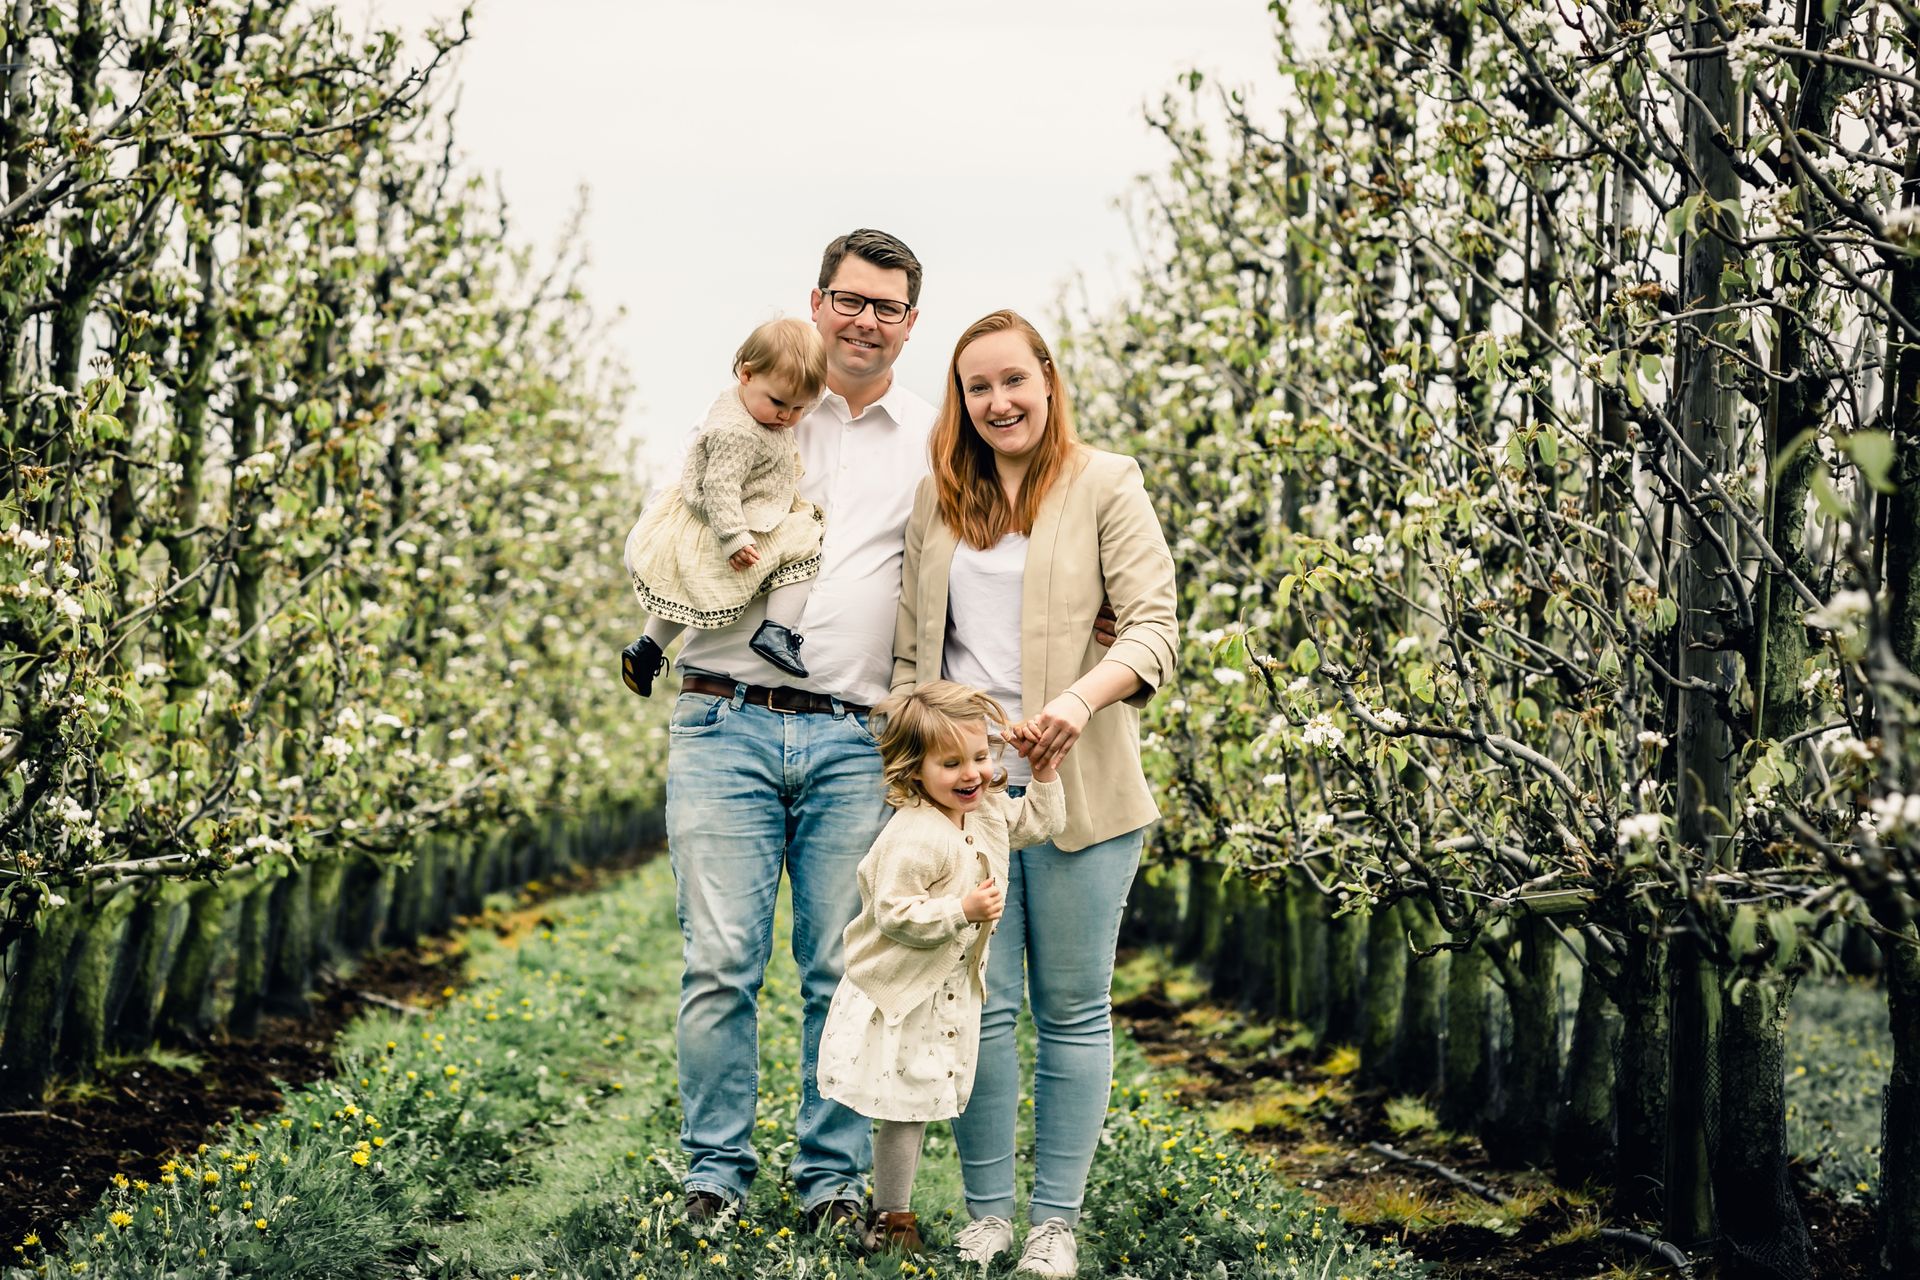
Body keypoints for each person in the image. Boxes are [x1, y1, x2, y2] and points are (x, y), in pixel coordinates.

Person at [891, 309, 1179, 1277]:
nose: (999, 401)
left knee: (1072, 1006)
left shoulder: (1106, 483)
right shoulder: (938, 502)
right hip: (969, 799)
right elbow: (908, 657)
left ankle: (1055, 1219)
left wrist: (1078, 702)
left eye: (1014, 380)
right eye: (978, 387)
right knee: (980, 1001)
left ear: (1048, 380)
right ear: (961, 400)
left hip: (1082, 788)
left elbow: (1153, 628)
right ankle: (987, 1212)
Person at [662, 229, 935, 1231]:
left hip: (854, 737)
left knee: (843, 965)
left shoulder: (929, 441)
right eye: (850, 299)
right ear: (817, 303)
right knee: (721, 961)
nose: (866, 320)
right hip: (725, 716)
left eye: (887, 306)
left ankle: (831, 1180)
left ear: (911, 322)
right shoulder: (757, 413)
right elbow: (684, 523)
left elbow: (985, 565)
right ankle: (714, 1174)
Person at [816, 681, 1066, 1256]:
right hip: (901, 989)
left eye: (979, 757)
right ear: (914, 770)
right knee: (903, 1102)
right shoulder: (915, 835)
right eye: (951, 763)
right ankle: (891, 1220)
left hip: (944, 988)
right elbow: (893, 913)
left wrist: (1046, 773)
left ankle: (891, 1214)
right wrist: (961, 909)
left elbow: (1033, 825)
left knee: (916, 1099)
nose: (972, 773)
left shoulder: (981, 814)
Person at [621, 317, 828, 692]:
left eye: (799, 408)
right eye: (780, 403)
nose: (787, 417)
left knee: (687, 588)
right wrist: (734, 537)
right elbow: (720, 485)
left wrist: (812, 392)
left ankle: (647, 647)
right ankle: (776, 632)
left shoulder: (750, 401)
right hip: (731, 520)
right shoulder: (738, 432)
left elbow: (797, 396)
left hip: (711, 518)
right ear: (747, 375)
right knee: (805, 545)